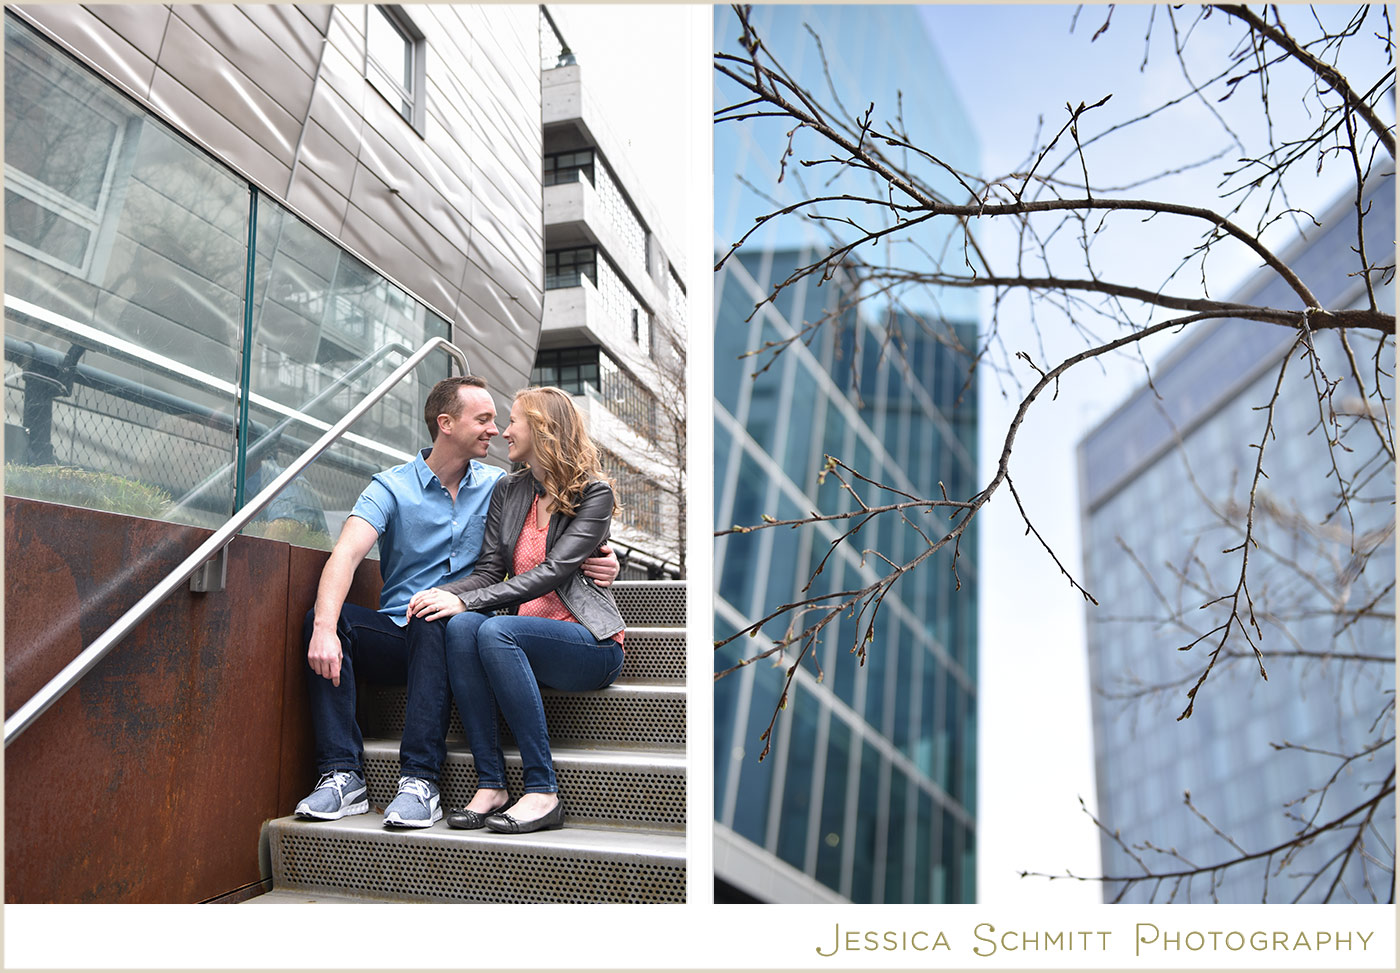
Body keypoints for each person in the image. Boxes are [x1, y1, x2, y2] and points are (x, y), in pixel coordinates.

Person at [294, 376, 619, 828]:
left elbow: (561, 548)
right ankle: (341, 775)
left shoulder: (499, 484)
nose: (498, 430)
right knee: (325, 620)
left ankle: (422, 781)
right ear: (446, 424)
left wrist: (604, 555)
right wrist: (324, 628)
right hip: (405, 629)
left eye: (503, 421)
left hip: (479, 627)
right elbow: (346, 555)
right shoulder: (400, 487)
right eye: (484, 419)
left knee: (446, 620)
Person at [406, 386, 626, 834]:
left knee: (492, 630)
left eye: (512, 421)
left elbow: (554, 571)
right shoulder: (510, 490)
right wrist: (443, 593)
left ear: (542, 428)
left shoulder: (594, 494)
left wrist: (465, 599)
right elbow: (490, 570)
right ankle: (492, 784)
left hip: (589, 642)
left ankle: (543, 792)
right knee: (463, 626)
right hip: (528, 639)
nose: (504, 432)